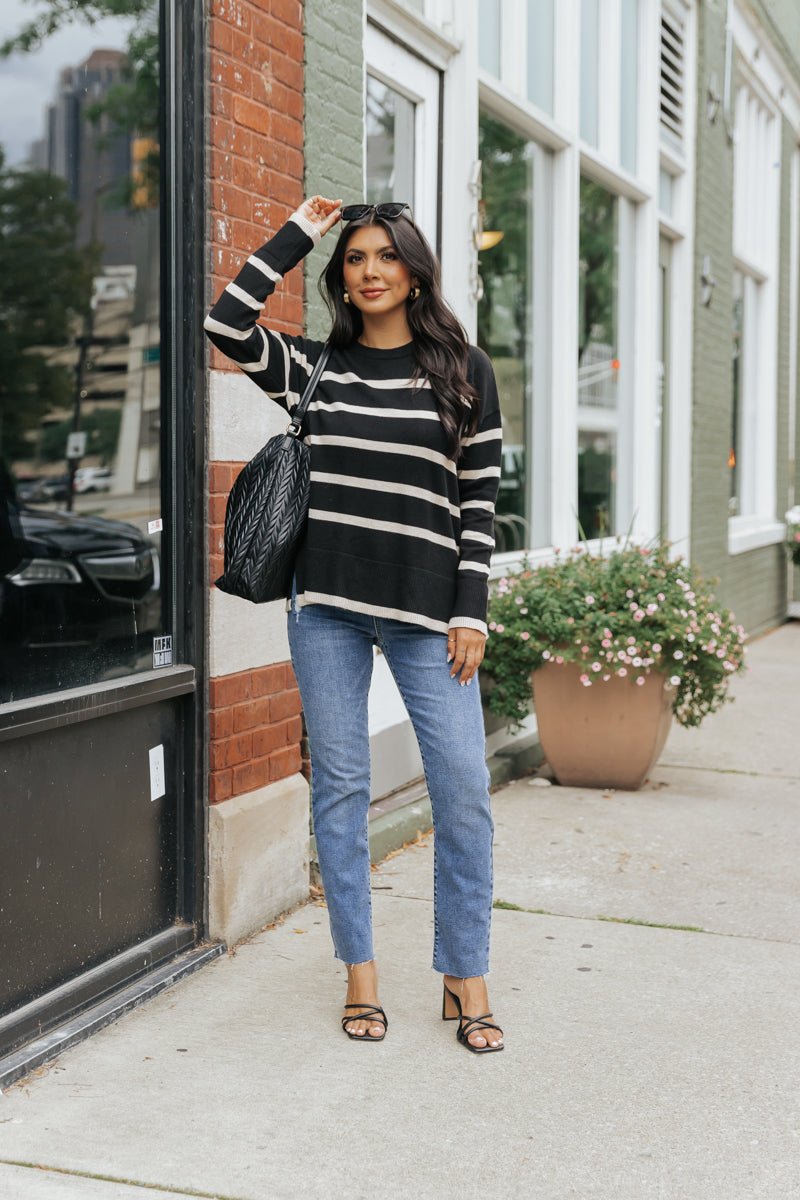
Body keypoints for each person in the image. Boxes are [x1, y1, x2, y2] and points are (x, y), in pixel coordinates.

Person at [205, 196, 504, 1053]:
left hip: (427, 615)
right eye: (355, 259)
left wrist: (470, 610)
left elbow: (479, 500)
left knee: (464, 793)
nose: (369, 270)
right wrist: (301, 232)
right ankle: (361, 974)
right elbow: (227, 323)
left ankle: (464, 973)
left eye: (385, 256)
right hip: (326, 608)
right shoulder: (316, 369)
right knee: (339, 789)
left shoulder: (463, 371)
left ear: (414, 269)